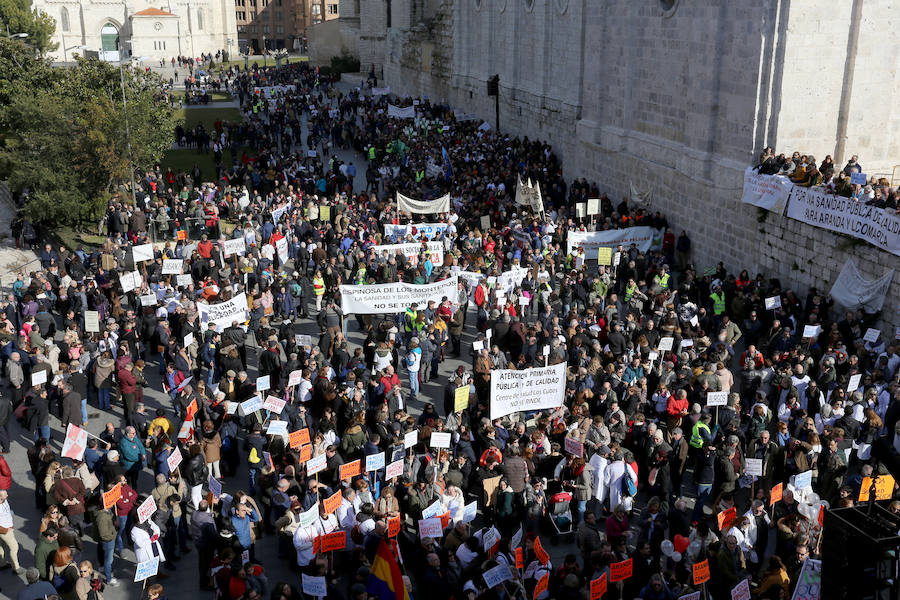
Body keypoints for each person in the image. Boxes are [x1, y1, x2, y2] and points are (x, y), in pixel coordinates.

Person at [0, 489, 22, 573]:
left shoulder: (5, 501)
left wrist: (11, 525)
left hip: (8, 527)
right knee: (14, 547)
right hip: (5, 531)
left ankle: (1, 563)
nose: (8, 495)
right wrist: (5, 530)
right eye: (5, 494)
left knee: (2, 546)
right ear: (0, 497)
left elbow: (8, 512)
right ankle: (16, 568)